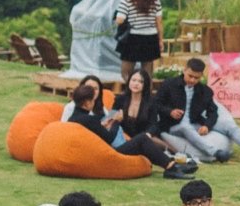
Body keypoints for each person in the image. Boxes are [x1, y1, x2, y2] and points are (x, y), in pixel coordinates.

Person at [153, 58, 240, 163]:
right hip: (173, 126)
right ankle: (216, 153)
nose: (192, 80)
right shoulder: (169, 85)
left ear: (201, 76)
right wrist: (170, 112)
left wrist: (207, 125)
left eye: (196, 78)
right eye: (190, 76)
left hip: (196, 123)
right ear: (184, 70)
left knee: (228, 125)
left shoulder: (205, 91)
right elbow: (156, 104)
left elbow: (213, 111)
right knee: (185, 127)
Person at [66, 77, 195, 179]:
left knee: (142, 141)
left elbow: (98, 131)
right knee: (142, 139)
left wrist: (105, 124)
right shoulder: (90, 118)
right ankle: (171, 167)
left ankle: (172, 164)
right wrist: (116, 122)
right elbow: (109, 138)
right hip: (107, 154)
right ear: (87, 102)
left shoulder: (74, 118)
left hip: (99, 150)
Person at [114, 0, 162, 83]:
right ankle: (146, 95)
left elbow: (120, 20)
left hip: (133, 38)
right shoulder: (155, 0)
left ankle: (131, 92)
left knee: (126, 72)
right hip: (151, 37)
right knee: (147, 73)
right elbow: (159, 23)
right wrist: (160, 40)